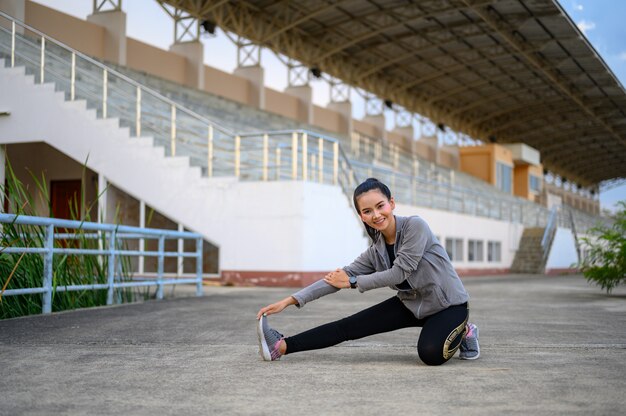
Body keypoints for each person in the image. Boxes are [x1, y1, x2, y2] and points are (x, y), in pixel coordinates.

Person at [256, 178, 480, 365]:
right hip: (412, 304)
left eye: (380, 206)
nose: (376, 215)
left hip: (448, 305)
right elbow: (335, 279)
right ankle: (281, 346)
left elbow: (399, 273)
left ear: (391, 203)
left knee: (430, 354)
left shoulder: (415, 226)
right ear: (361, 216)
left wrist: (353, 282)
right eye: (367, 211)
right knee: (348, 326)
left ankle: (466, 331)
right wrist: (290, 300)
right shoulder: (375, 252)